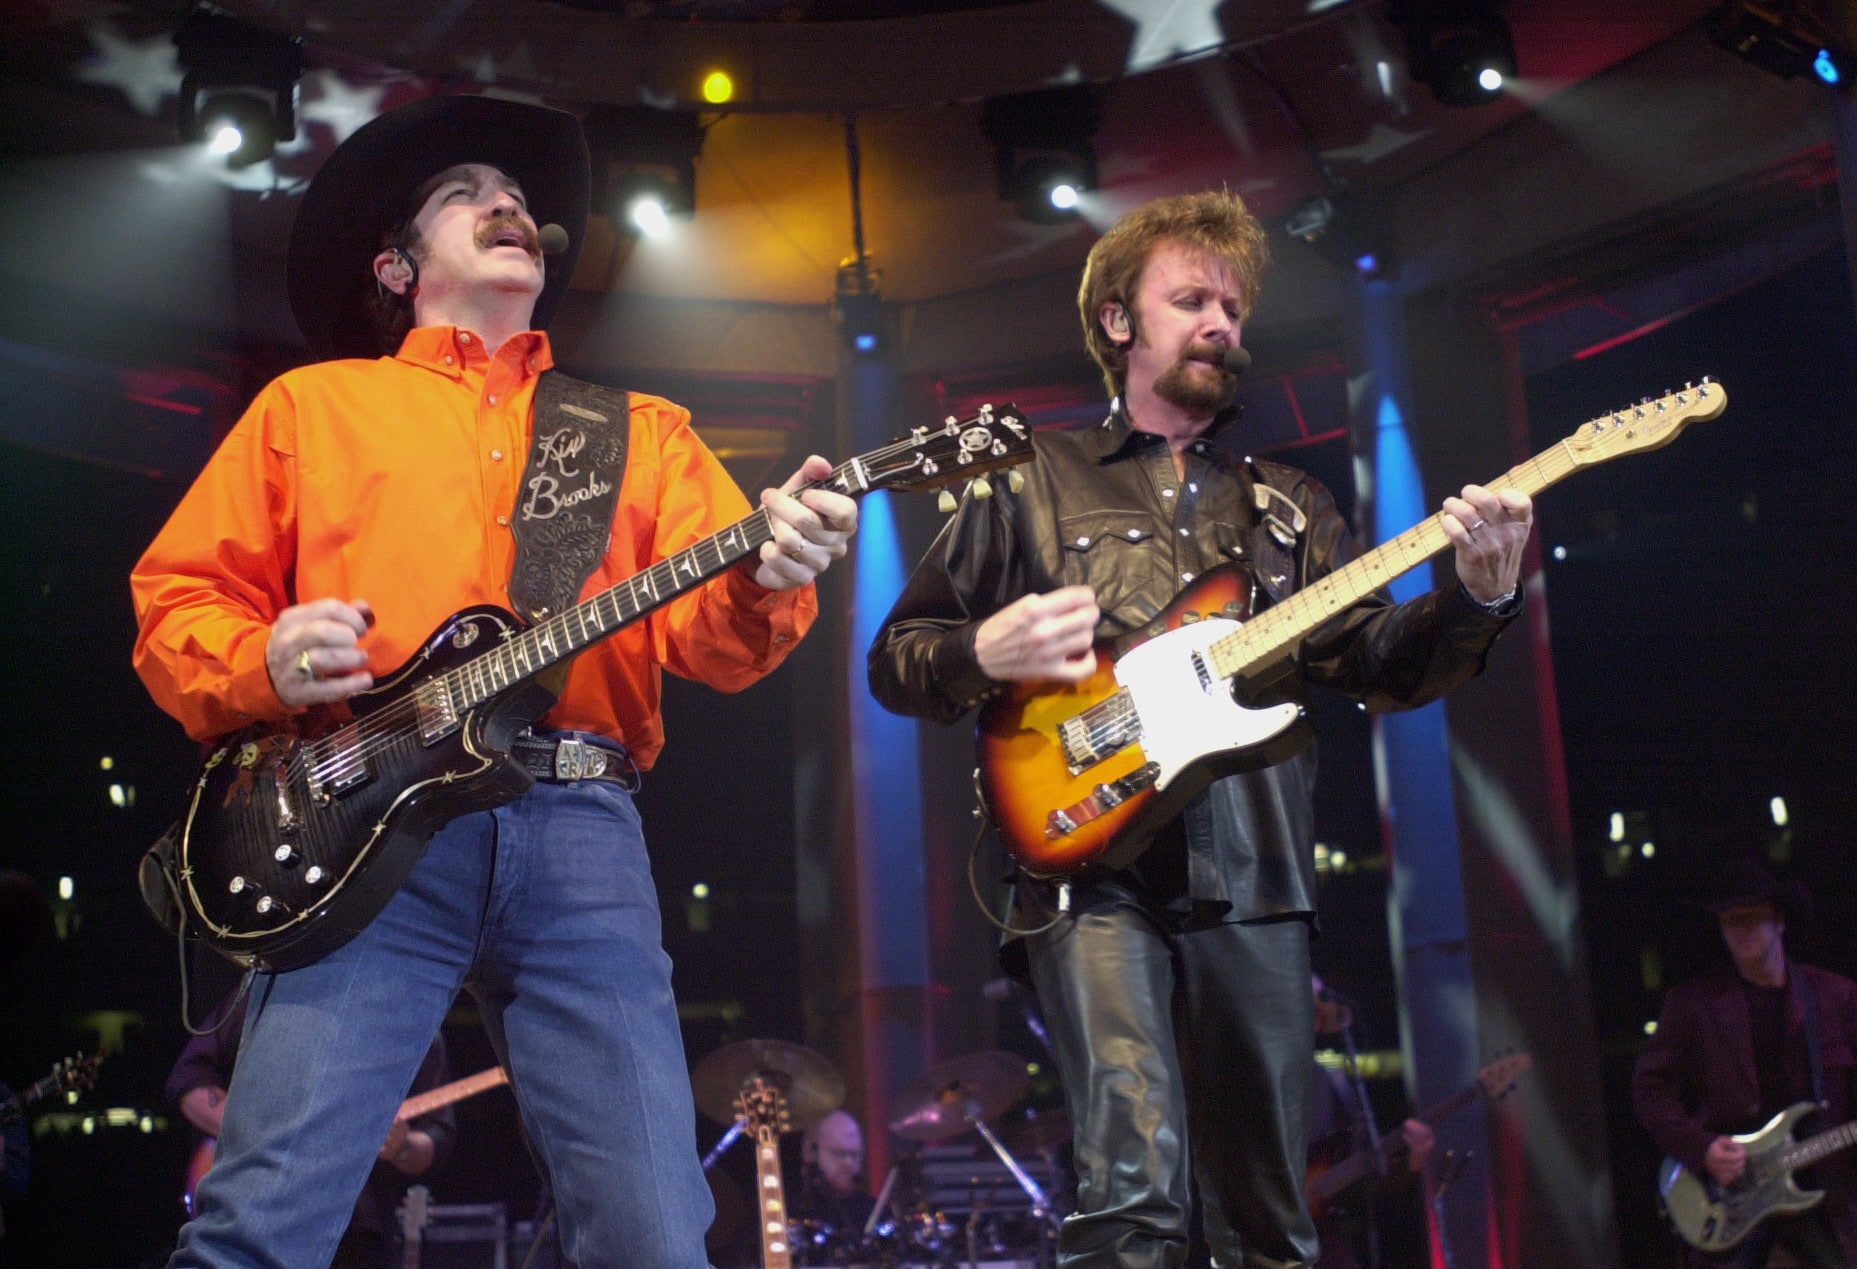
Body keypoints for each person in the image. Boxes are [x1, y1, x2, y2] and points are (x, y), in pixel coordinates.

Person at [131, 93, 857, 1268]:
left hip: (579, 825)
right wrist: (260, 658)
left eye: (515, 197)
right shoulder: (313, 409)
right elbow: (177, 601)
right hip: (358, 829)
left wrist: (777, 568)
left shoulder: (639, 432)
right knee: (263, 1223)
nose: (508, 203)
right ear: (396, 262)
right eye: (466, 192)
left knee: (658, 1236)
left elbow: (724, 645)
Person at [867, 189, 1530, 1267]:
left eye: (1233, 304)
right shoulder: (1029, 481)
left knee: (1271, 1213)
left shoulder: (1290, 506)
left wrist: (1477, 597)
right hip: (1085, 869)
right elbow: (899, 661)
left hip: (1257, 875)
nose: (1224, 322)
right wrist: (982, 652)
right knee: (1132, 1192)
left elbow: (1381, 664)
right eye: (1192, 300)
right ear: (1120, 322)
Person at [1633, 857, 1857, 1266]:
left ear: (1780, 922)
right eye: (1729, 920)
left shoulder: (1836, 997)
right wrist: (1702, 1149)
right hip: (1732, 1194)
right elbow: (1650, 1091)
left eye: (1752, 917)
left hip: (1821, 1187)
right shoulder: (1693, 1006)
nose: (1741, 929)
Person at [167, 991, 455, 1269]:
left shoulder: (412, 1016)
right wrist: (269, 1134)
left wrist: (402, 1147)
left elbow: (437, 1135)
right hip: (252, 1209)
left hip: (354, 1228)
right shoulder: (273, 988)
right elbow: (189, 1079)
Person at [1306, 978, 1433, 1269]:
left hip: (1323, 1242)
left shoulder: (1332, 1082)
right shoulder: (1248, 1078)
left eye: (1314, 1014)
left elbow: (1362, 1177)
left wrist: (1409, 1164)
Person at [793, 1109, 875, 1234]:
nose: (848, 1162)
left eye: (854, 1154)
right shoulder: (790, 1212)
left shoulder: (875, 1212)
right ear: (809, 1152)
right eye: (838, 1153)